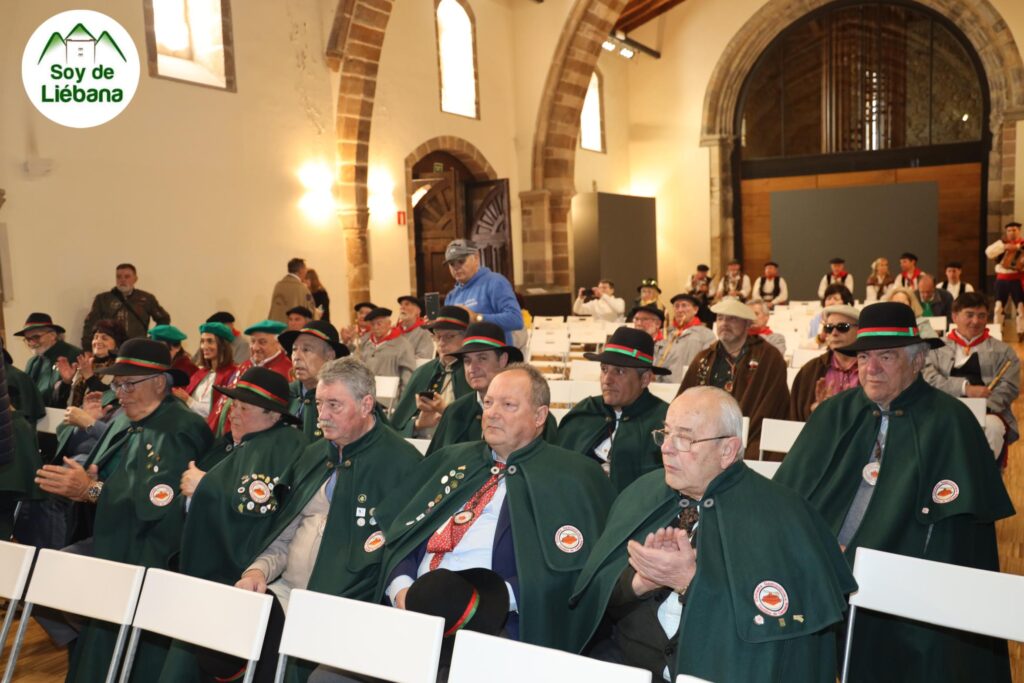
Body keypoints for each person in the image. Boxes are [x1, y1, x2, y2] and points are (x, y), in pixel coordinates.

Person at [775, 302, 1014, 683]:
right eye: (864, 357)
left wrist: (857, 561)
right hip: (819, 573)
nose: (871, 368)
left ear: (918, 361)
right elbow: (786, 500)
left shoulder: (951, 423)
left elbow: (951, 544)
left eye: (886, 356)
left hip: (905, 586)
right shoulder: (834, 412)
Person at [569, 387, 856, 683]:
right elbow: (594, 596)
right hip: (626, 665)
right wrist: (640, 582)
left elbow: (776, 640)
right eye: (665, 433)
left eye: (685, 438)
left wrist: (690, 583)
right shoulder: (642, 494)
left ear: (728, 450)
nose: (666, 447)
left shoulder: (784, 516)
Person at [377, 364, 616, 656]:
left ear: (540, 416)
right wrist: (401, 589)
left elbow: (570, 571)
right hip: (410, 611)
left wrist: (489, 601)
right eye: (488, 403)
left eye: (508, 405)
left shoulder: (572, 476)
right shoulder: (451, 459)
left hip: (497, 624)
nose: (492, 413)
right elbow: (403, 536)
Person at [232, 358, 421, 683]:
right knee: (231, 623)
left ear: (366, 404)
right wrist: (257, 571)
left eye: (334, 405)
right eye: (319, 404)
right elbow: (284, 535)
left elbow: (397, 558)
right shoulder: (313, 455)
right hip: (287, 592)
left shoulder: (403, 463)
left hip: (348, 608)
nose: (322, 415)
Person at [34, 339, 212, 681]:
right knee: (53, 587)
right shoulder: (123, 420)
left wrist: (91, 490)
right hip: (111, 540)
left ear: (159, 382)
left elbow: (158, 501)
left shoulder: (179, 428)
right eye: (117, 384)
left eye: (129, 384)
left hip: (150, 553)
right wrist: (89, 478)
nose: (121, 393)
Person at [158, 367, 307, 681]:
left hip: (240, 578)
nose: (233, 413)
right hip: (202, 576)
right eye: (233, 405)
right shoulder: (230, 444)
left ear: (273, 415)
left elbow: (263, 512)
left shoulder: (284, 446)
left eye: (244, 407)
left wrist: (205, 487)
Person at [556, 327, 670, 491]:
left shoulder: (664, 422)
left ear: (645, 379)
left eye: (619, 371)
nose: (607, 380)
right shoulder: (586, 412)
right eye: (604, 369)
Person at [678, 299, 789, 460]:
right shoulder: (704, 358)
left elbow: (772, 404)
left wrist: (736, 432)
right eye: (720, 318)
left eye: (732, 318)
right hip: (705, 436)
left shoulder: (768, 357)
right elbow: (685, 400)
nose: (724, 323)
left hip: (753, 434)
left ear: (747, 324)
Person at [426, 322, 555, 455]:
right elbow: (435, 462)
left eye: (482, 358)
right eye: (467, 361)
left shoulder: (533, 414)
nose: (472, 368)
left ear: (503, 360)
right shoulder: (454, 411)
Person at [923, 292, 1019, 463]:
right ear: (955, 316)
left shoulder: (1003, 351)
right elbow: (928, 379)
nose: (976, 321)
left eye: (981, 316)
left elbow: (1009, 387)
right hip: (942, 409)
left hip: (988, 412)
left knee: (993, 428)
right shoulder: (935, 349)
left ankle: (980, 473)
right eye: (969, 315)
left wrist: (983, 407)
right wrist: (965, 389)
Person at [390, 306, 473, 438]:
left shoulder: (474, 373)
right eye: (437, 336)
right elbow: (396, 429)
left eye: (449, 336)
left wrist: (445, 411)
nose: (441, 343)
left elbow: (476, 429)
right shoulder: (423, 372)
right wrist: (417, 425)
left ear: (466, 338)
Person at [279, 320, 350, 439]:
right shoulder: (286, 393)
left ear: (330, 356)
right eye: (294, 349)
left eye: (306, 350)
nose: (296, 357)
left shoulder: (345, 398)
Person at [443, 239, 523, 344]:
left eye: (461, 261)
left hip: (494, 352)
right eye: (452, 264)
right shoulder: (451, 296)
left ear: (476, 258)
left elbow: (516, 320)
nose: (456, 268)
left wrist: (477, 318)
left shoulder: (495, 282)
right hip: (464, 353)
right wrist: (435, 326)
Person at [789, 304, 860, 421]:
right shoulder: (810, 370)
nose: (834, 333)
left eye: (843, 327)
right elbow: (795, 416)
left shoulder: (872, 369)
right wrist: (815, 413)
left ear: (859, 331)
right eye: (829, 328)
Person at [81, 263, 171, 348]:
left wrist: (153, 339)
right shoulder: (103, 299)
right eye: (118, 277)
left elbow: (164, 319)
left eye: (127, 277)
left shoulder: (147, 299)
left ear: (135, 279)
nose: (122, 280)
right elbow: (90, 324)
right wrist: (88, 347)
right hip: (110, 348)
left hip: (138, 347)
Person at [176, 322, 239, 433]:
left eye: (210, 341)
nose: (204, 346)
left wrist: (188, 400)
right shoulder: (201, 373)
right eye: (202, 341)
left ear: (223, 345)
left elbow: (218, 413)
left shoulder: (233, 375)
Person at [14, 312, 82, 408]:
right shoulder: (32, 362)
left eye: (36, 337)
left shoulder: (74, 355)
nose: (31, 343)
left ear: (53, 335)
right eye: (28, 339)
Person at [55, 319, 126, 408]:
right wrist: (66, 382)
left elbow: (112, 399)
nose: (97, 342)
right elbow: (58, 403)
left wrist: (89, 377)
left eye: (104, 338)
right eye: (95, 337)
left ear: (117, 344)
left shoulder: (120, 368)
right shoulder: (86, 364)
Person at [356, 307, 416, 397]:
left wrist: (404, 400)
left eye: (379, 324)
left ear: (389, 324)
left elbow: (408, 377)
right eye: (372, 324)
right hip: (366, 396)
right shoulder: (365, 344)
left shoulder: (402, 345)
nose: (375, 327)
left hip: (390, 398)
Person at [985, 221, 1024, 331]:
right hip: (1002, 279)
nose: (1011, 232)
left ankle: (1021, 331)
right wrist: (1005, 247)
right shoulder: (1001, 243)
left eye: (1014, 230)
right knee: (998, 306)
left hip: (1017, 278)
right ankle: (998, 329)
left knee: (1021, 307)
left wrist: (1017, 249)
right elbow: (988, 253)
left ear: (1019, 231)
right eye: (1009, 230)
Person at [629, 305, 683, 383]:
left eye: (644, 319)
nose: (639, 323)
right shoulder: (628, 345)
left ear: (657, 324)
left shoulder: (671, 349)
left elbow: (673, 381)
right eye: (636, 319)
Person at [667, 294, 715, 367]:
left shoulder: (706, 335)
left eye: (684, 305)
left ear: (695, 310)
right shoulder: (665, 333)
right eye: (676, 306)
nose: (680, 310)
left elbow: (708, 363)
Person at [269, 257, 316, 322]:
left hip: (275, 326)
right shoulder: (302, 289)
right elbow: (310, 311)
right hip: (292, 326)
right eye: (305, 269)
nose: (306, 272)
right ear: (301, 270)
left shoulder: (278, 285)